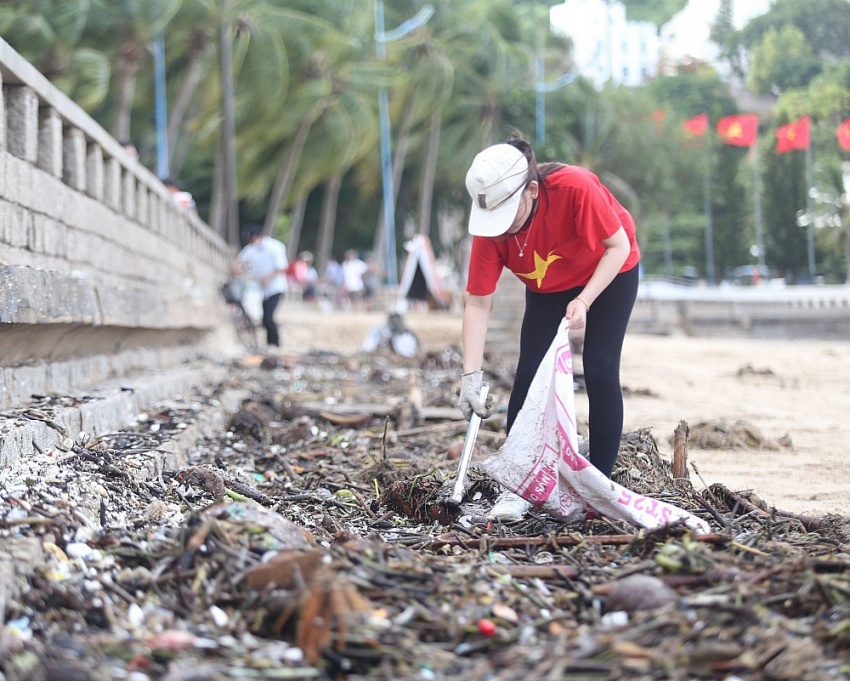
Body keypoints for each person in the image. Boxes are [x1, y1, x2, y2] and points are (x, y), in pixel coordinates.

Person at [458, 133, 641, 519]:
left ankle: (599, 487)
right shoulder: (491, 232)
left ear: (532, 191)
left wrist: (585, 300)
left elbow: (619, 246)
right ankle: (519, 486)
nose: (503, 228)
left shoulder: (575, 187)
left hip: (607, 270)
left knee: (600, 367)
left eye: (510, 215)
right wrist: (469, 376)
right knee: (529, 373)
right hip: (546, 285)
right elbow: (477, 302)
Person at [234, 224, 289, 348]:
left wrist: (267, 277)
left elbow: (282, 268)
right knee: (265, 318)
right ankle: (270, 344)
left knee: (268, 316)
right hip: (262, 290)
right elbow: (239, 262)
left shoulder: (275, 247)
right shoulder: (250, 249)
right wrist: (238, 271)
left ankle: (274, 344)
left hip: (276, 288)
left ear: (258, 236)